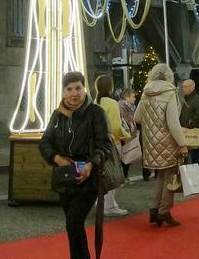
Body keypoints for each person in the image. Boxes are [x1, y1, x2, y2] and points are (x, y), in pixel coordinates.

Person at [39, 72, 112, 259]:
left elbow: (104, 145)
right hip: (65, 178)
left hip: (88, 178)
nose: (74, 93)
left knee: (73, 223)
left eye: (78, 88)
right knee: (73, 227)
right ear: (63, 92)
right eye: (69, 89)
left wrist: (91, 163)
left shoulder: (96, 113)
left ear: (84, 88)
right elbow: (45, 142)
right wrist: (57, 158)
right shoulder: (58, 115)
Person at [135, 63, 187, 228]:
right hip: (167, 142)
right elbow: (173, 123)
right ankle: (164, 211)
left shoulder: (146, 92)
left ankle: (154, 209)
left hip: (151, 143)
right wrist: (182, 143)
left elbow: (137, 118)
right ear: (168, 76)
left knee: (159, 177)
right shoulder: (170, 92)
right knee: (170, 177)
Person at [92, 75, 128, 217]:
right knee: (113, 174)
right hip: (112, 142)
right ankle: (109, 205)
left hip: (98, 143)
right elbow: (116, 126)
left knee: (102, 174)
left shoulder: (96, 102)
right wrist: (126, 135)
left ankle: (101, 201)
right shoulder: (112, 103)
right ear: (110, 86)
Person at [179, 79, 199, 170]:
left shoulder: (197, 99)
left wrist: (191, 122)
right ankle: (186, 171)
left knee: (196, 152)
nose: (183, 89)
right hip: (185, 130)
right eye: (183, 87)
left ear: (191, 87)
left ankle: (197, 170)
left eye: (185, 87)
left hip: (194, 131)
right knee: (186, 153)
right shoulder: (185, 99)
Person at [116, 88, 141, 182]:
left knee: (128, 156)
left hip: (130, 134)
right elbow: (124, 121)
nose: (135, 99)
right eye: (133, 96)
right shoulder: (122, 106)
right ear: (127, 97)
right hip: (125, 135)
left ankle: (124, 177)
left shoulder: (130, 106)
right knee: (125, 156)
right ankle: (123, 178)